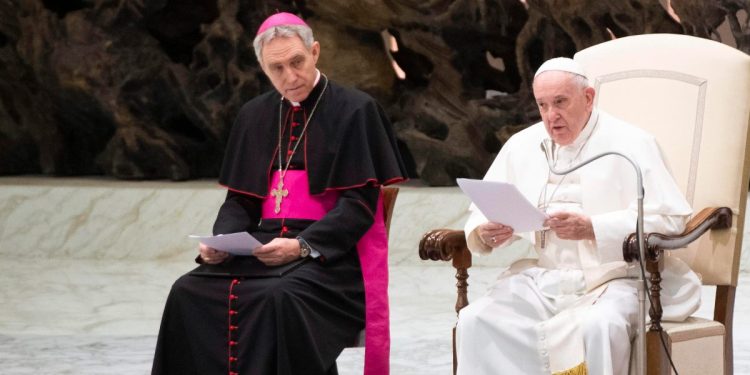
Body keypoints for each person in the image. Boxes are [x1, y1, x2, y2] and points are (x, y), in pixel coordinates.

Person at [151, 12, 407, 375]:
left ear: (315, 51)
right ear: (262, 68)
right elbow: (241, 200)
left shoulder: (356, 110)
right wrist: (221, 240)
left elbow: (359, 207)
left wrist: (302, 246)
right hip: (265, 247)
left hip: (331, 258)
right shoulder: (254, 115)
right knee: (186, 291)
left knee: (281, 296)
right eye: (277, 68)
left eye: (297, 62)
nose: (290, 77)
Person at [455, 57, 701, 375]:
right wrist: (486, 232)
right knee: (477, 320)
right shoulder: (523, 145)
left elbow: (670, 220)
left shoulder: (630, 144)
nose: (550, 117)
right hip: (545, 279)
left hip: (615, 280)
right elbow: (481, 211)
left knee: (599, 326)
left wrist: (593, 228)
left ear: (588, 97)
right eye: (542, 105)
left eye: (560, 102)